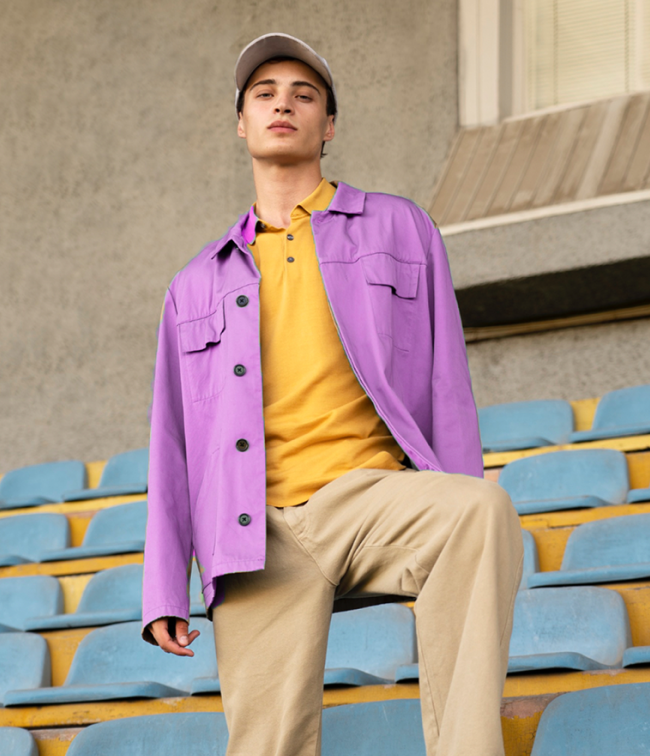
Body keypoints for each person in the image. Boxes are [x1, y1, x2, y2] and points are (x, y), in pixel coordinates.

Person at [142, 32, 524, 756]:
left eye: (304, 95)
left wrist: (456, 484)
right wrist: (164, 586)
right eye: (264, 95)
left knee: (480, 511)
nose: (283, 104)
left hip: (369, 495)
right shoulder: (194, 285)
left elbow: (447, 381)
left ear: (330, 125)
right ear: (242, 124)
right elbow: (172, 446)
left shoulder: (399, 227)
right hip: (255, 534)